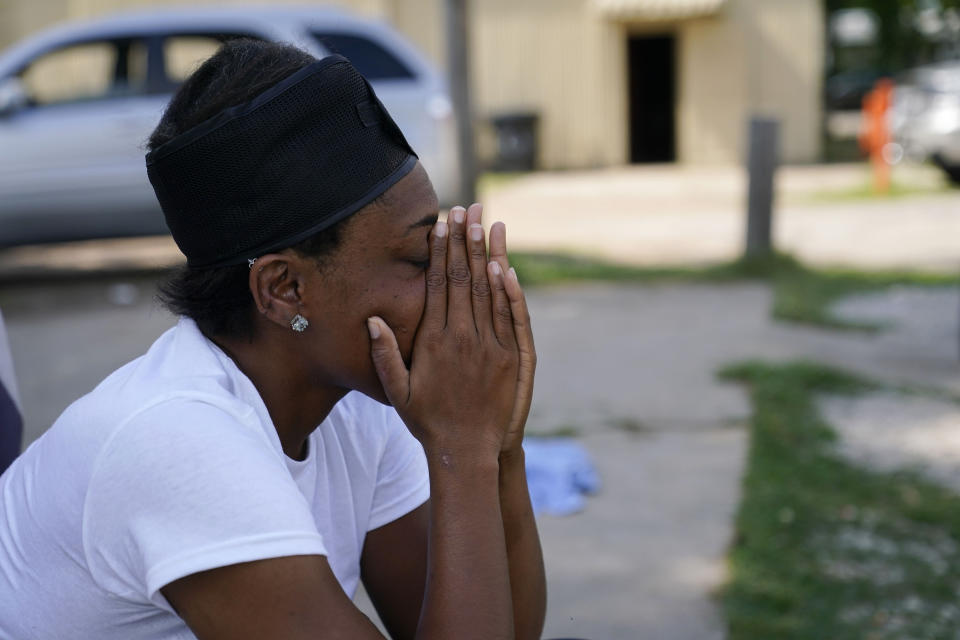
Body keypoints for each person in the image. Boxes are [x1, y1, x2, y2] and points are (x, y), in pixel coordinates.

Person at [0, 39, 545, 640]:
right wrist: (463, 447)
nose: (454, 289)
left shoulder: (356, 399)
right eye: (421, 258)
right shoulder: (176, 441)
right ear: (284, 289)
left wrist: (497, 450)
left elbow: (508, 628)